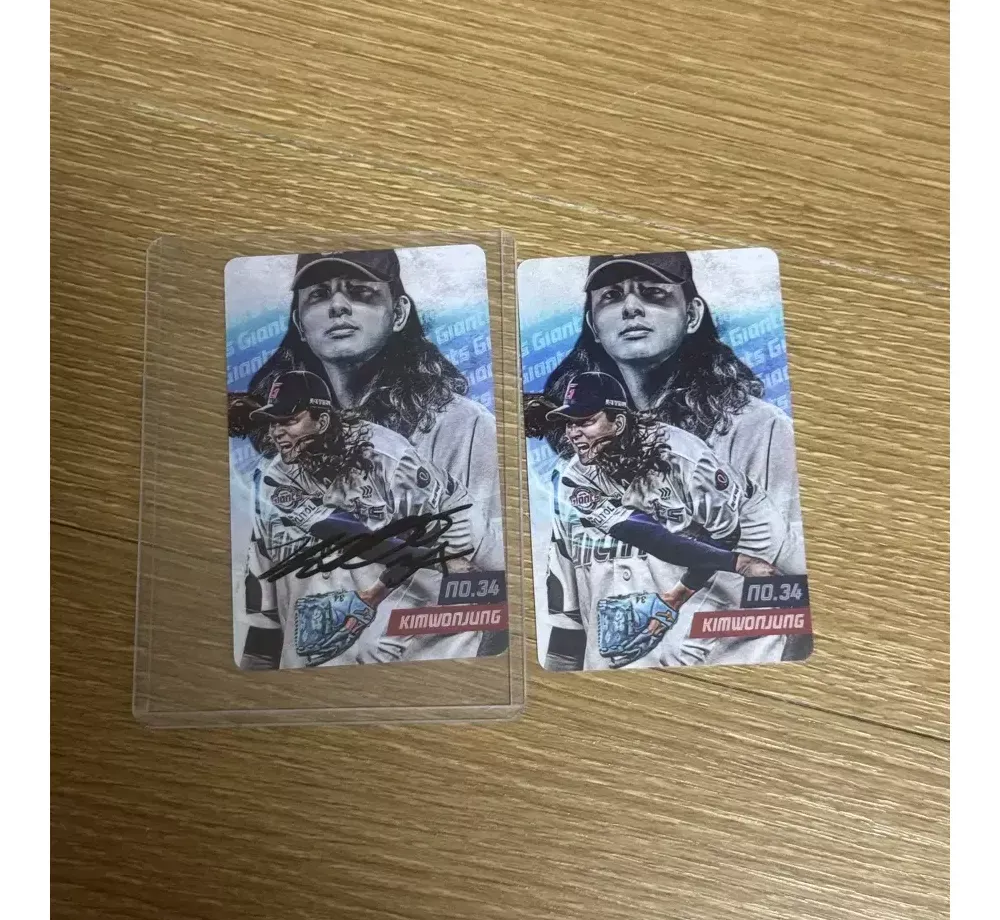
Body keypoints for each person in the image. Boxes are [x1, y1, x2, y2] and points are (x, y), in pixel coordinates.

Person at [527, 251, 802, 538]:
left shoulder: (759, 431)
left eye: (653, 292)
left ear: (692, 315)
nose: (630, 307)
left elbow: (779, 549)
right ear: (594, 325)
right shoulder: (581, 445)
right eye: (611, 295)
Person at [541, 372, 803, 670]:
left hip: (749, 522)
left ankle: (796, 641)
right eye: (569, 423)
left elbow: (726, 534)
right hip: (690, 534)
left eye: (586, 421)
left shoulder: (681, 456)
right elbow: (648, 535)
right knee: (686, 640)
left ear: (619, 422)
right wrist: (681, 593)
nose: (574, 432)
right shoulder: (575, 479)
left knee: (799, 592)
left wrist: (682, 593)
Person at [239, 371, 501, 669]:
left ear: (322, 422)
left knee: (489, 591)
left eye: (288, 420)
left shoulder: (386, 457)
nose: (277, 432)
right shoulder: (275, 477)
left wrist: (383, 590)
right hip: (382, 537)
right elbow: (342, 532)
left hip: (452, 516)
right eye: (273, 422)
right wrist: (373, 595)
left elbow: (427, 532)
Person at [231, 249, 501, 533]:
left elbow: (485, 549)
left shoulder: (464, 429)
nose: (337, 305)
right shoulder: (280, 453)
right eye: (319, 294)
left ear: (399, 313)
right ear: (300, 324)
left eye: (360, 291)